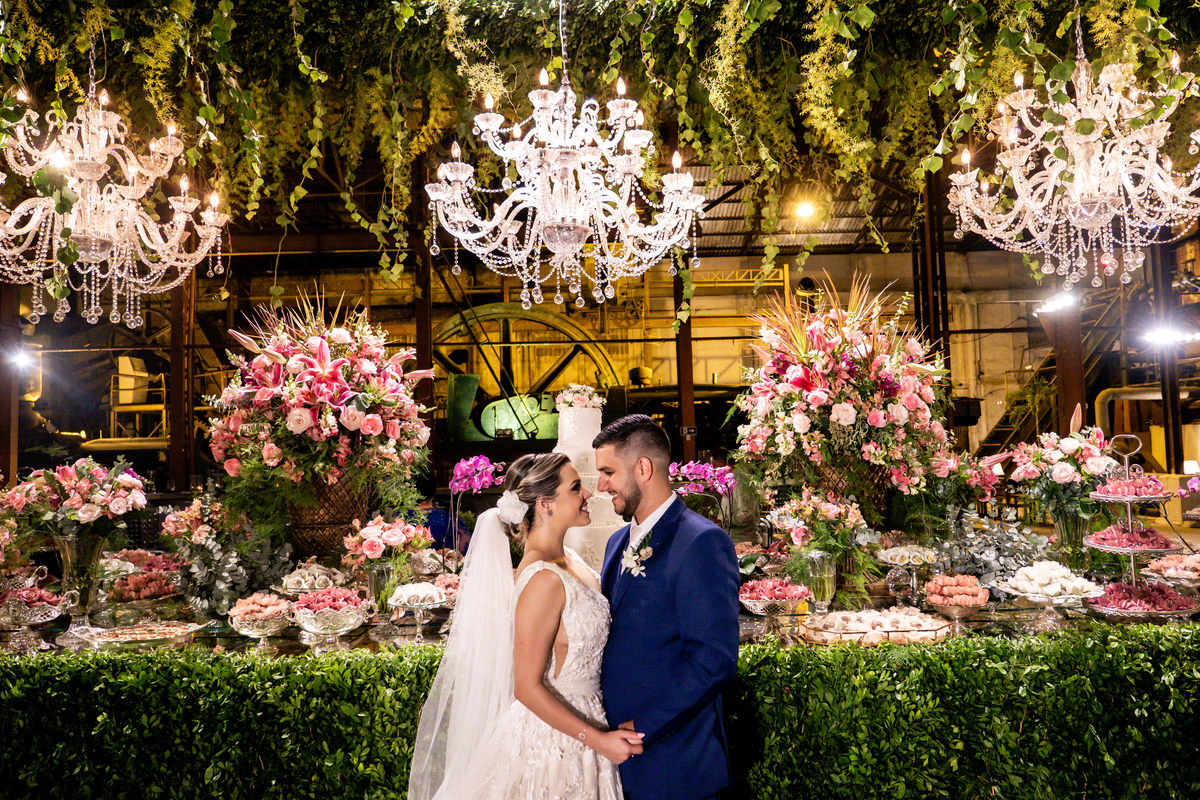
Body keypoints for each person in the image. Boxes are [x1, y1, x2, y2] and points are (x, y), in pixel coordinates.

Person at [408, 452, 644, 800]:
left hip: (589, 723)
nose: (588, 494)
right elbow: (526, 687)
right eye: (576, 487)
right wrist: (598, 740)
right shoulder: (542, 579)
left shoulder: (570, 560)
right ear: (546, 504)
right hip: (556, 743)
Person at [594, 415, 740, 800]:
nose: (601, 485)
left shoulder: (701, 542)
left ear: (643, 469)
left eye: (608, 472)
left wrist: (642, 727)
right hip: (615, 762)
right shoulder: (615, 543)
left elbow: (713, 660)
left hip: (675, 764)